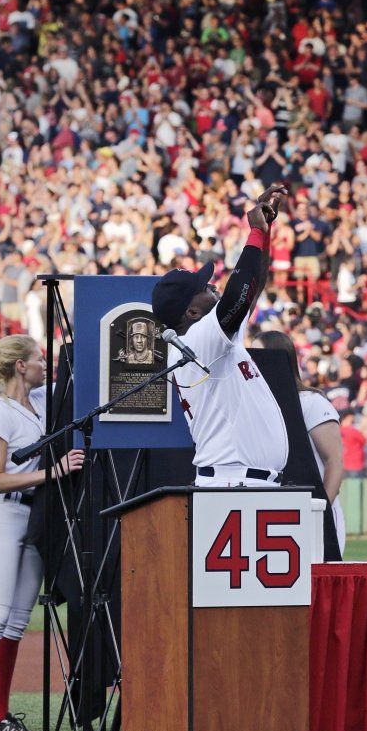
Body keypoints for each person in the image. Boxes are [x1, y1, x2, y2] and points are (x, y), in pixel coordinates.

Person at [0, 335, 84, 731]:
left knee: (14, 622)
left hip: (37, 515)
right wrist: (54, 472)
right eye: (38, 358)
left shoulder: (41, 402)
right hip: (5, 513)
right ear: (20, 367)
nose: (45, 363)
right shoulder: (0, 412)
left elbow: (72, 382)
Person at [151, 183, 291, 488]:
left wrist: (264, 233)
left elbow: (251, 290)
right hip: (233, 482)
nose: (212, 285)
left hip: (239, 480)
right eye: (204, 288)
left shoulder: (207, 337)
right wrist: (253, 231)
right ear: (190, 312)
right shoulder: (196, 339)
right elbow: (236, 297)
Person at [254, 331, 345, 554]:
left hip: (311, 512)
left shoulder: (310, 402)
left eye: (257, 353)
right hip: (272, 514)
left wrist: (319, 511)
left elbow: (334, 461)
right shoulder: (255, 406)